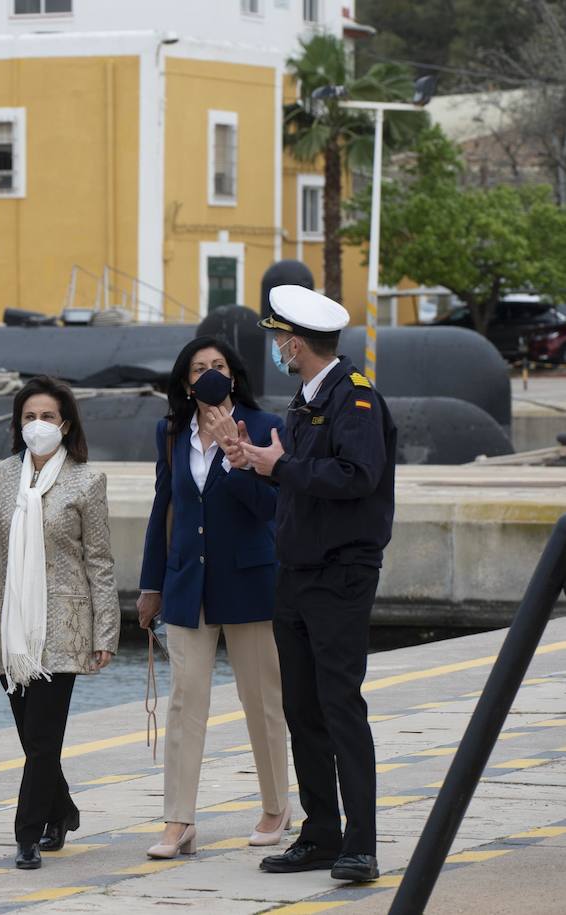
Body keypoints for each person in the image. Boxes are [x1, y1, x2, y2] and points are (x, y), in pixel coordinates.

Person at [224, 286, 397, 884]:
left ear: (295, 342)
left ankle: (360, 844)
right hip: (295, 572)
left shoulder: (355, 399)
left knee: (340, 705)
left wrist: (285, 467)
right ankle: (321, 832)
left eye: (278, 339)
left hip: (341, 574)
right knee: (301, 707)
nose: (276, 348)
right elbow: (300, 481)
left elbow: (357, 475)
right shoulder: (305, 401)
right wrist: (259, 463)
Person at [0, 375, 120, 872]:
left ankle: (27, 835)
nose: (38, 425)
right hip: (9, 626)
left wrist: (106, 631)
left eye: (47, 416)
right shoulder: (0, 479)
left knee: (45, 737)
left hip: (64, 626)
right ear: (17, 425)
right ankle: (63, 809)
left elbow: (100, 560)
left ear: (65, 424)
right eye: (29, 417)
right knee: (32, 737)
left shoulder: (87, 481)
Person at [136, 337, 290, 859]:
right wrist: (151, 585)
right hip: (187, 585)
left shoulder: (266, 427)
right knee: (185, 703)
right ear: (185, 381)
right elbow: (166, 508)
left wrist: (236, 454)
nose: (209, 375)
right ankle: (178, 820)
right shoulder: (171, 432)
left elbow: (271, 509)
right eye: (199, 369)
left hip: (249, 582)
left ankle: (275, 806)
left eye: (218, 366)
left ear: (234, 374)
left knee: (261, 699)